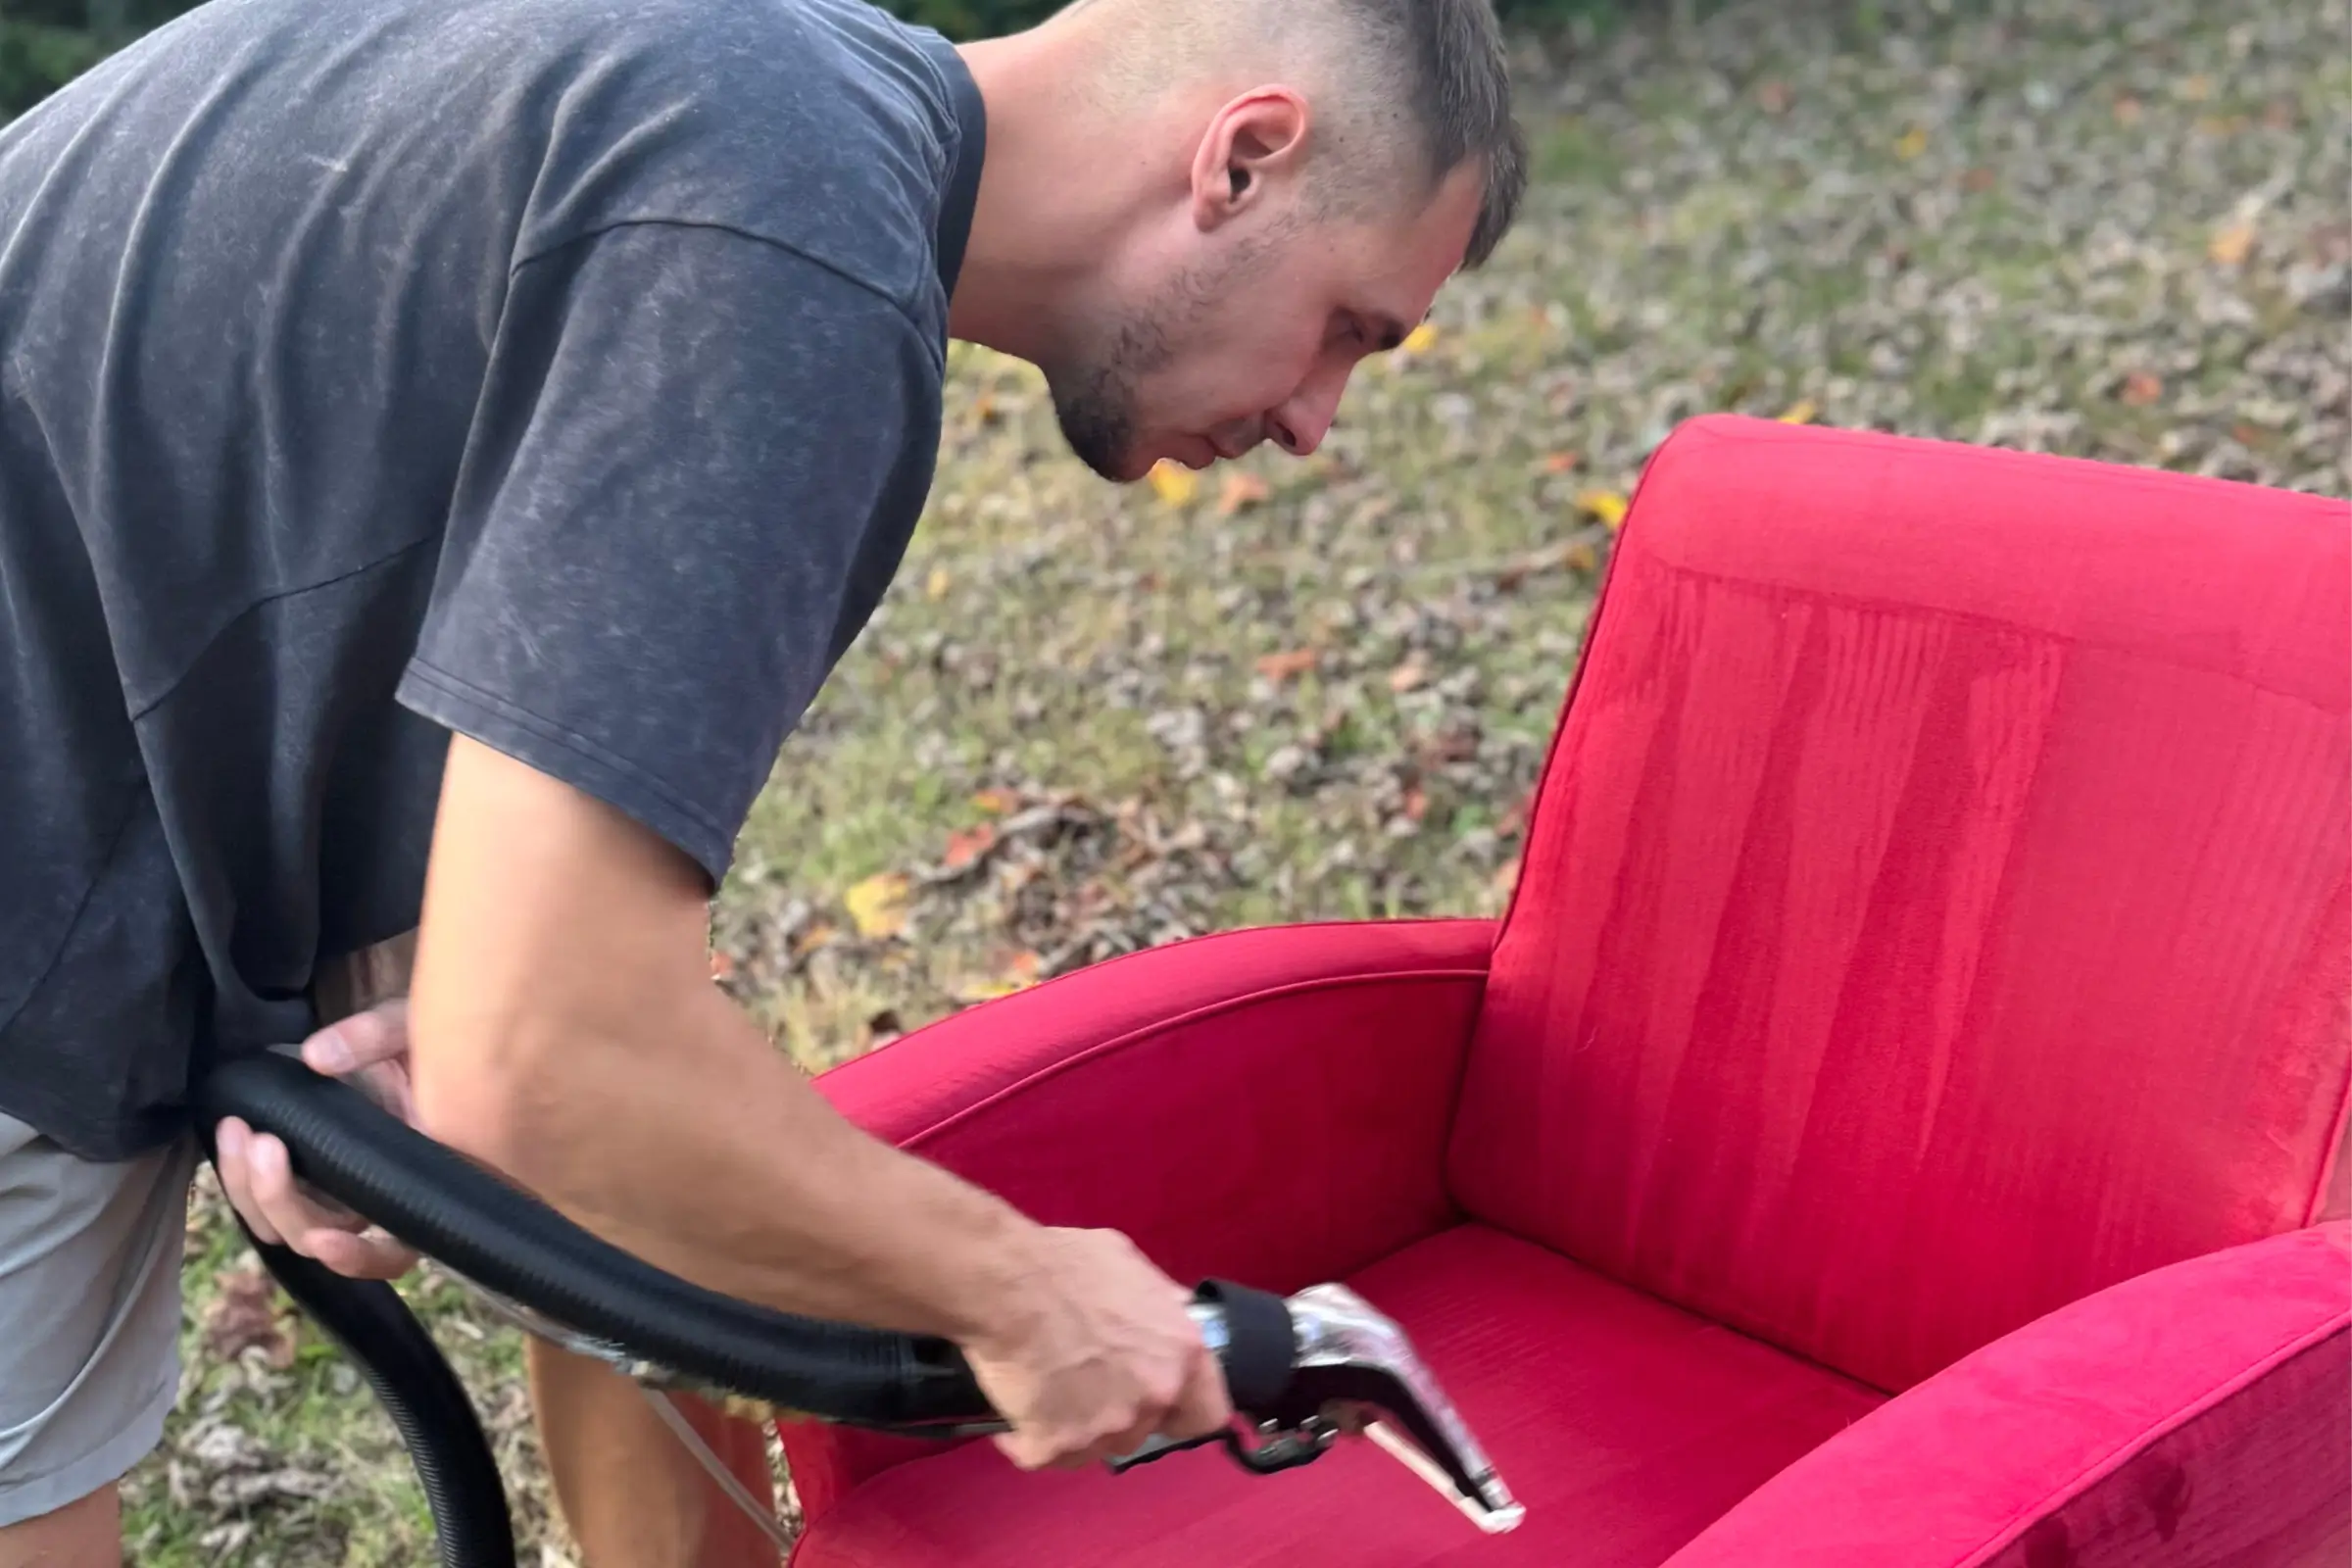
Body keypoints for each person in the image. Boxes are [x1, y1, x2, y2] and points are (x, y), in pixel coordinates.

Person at [0, 0, 1526, 1560]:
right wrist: (1031, 1293)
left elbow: (325, 521)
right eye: (1349, 329)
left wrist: (401, 1059)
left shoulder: (749, 96)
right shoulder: (799, 249)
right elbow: (560, 1048)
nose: (1316, 422)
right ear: (1243, 158)